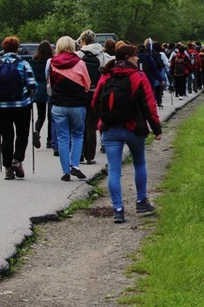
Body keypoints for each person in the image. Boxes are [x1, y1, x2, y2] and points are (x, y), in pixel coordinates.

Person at [92, 42, 162, 224]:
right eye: (135, 55)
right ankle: (141, 201)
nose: (138, 58)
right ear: (128, 58)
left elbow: (95, 101)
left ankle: (117, 209)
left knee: (114, 170)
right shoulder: (138, 76)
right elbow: (149, 104)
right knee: (139, 163)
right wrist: (156, 129)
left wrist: (103, 121)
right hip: (133, 127)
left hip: (110, 128)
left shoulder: (107, 75)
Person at [0, 36, 37, 180]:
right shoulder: (23, 64)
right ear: (17, 48)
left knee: (6, 136)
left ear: (3, 48)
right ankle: (17, 160)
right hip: (21, 106)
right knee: (22, 134)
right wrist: (29, 95)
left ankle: (8, 168)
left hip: (0, 107)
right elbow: (32, 85)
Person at [50, 36, 91, 181]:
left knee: (62, 138)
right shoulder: (80, 63)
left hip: (59, 105)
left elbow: (50, 85)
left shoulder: (52, 63)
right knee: (78, 135)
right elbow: (87, 84)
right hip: (77, 105)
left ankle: (65, 171)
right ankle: (76, 165)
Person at [77, 30, 111, 165]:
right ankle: (90, 155)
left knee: (80, 124)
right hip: (97, 93)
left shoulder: (79, 55)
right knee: (91, 124)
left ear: (83, 40)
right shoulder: (102, 55)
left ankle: (79, 153)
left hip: (81, 92)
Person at [30, 40, 54, 150]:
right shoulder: (51, 61)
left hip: (38, 89)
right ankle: (49, 140)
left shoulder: (34, 60)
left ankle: (36, 131)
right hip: (49, 89)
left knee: (41, 116)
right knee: (51, 117)